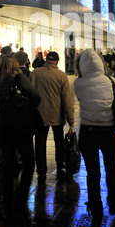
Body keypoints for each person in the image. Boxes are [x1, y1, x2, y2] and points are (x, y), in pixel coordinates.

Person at [74, 49, 115, 226]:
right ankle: (113, 202)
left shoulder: (78, 83)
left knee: (92, 172)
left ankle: (95, 207)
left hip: (87, 132)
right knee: (111, 167)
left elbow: (79, 106)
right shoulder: (112, 82)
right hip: (108, 132)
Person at [0, 55, 41, 221]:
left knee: (8, 165)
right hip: (19, 125)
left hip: (1, 126)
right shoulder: (19, 77)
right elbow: (35, 96)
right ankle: (21, 198)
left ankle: (7, 202)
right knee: (28, 163)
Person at [30, 51, 74, 183]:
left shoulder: (34, 73)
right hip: (57, 114)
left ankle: (41, 170)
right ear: (57, 62)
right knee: (59, 141)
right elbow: (66, 99)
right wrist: (70, 119)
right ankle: (60, 166)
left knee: (39, 142)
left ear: (46, 60)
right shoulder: (61, 75)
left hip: (39, 115)